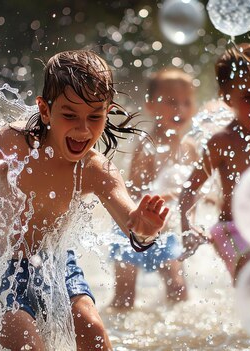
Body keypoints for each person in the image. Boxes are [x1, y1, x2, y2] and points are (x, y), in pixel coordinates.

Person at [0, 50, 169, 351]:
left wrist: (146, 227)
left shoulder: (96, 170)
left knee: (94, 333)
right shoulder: (12, 143)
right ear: (45, 110)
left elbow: (132, 223)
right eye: (70, 115)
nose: (83, 129)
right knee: (27, 344)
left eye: (95, 116)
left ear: (108, 112)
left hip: (57, 265)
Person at [178, 43, 250, 284]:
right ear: (228, 99)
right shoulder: (223, 141)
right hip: (232, 230)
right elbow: (189, 188)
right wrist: (188, 226)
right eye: (249, 97)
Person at [109, 68, 198, 308]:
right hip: (133, 228)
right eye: (171, 102)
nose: (179, 109)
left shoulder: (189, 148)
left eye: (186, 102)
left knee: (178, 290)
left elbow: (195, 190)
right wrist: (167, 195)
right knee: (125, 298)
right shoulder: (147, 146)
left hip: (166, 232)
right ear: (151, 106)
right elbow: (134, 193)